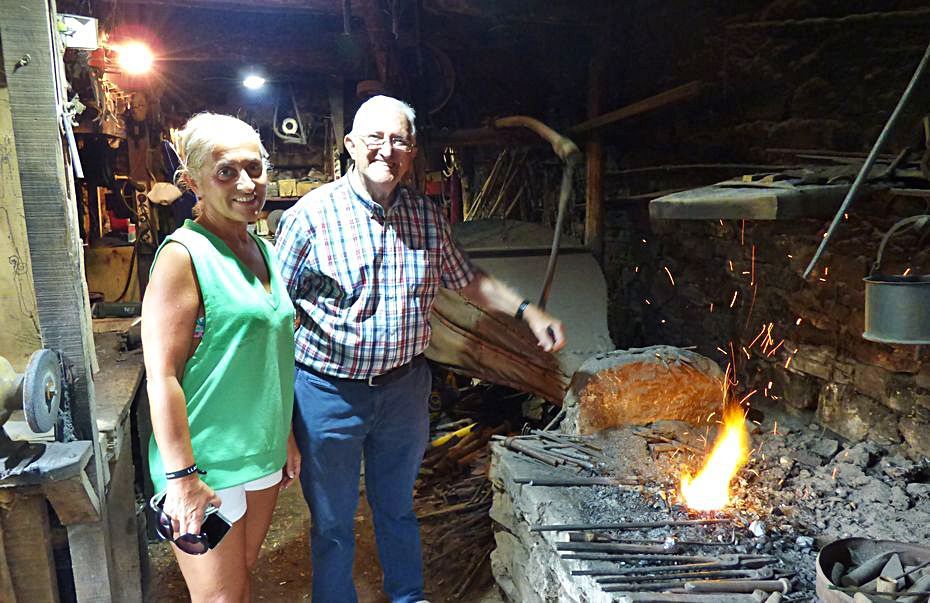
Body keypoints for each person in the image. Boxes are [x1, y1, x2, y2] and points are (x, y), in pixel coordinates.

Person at [275, 95, 566, 603]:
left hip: (405, 391)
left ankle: (409, 598)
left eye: (399, 141)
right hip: (327, 394)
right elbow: (274, 315)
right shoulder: (309, 218)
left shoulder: (425, 217)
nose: (386, 150)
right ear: (350, 146)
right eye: (375, 139)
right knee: (333, 522)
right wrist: (277, 419)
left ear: (412, 152)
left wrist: (528, 311)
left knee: (397, 508)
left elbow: (467, 279)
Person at [141, 113, 301, 602]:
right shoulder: (182, 256)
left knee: (240, 579)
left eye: (254, 168)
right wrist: (182, 479)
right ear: (192, 183)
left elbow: (266, 359)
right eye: (226, 172)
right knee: (220, 598)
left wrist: (287, 434)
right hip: (205, 467)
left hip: (263, 454)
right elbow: (161, 376)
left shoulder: (259, 247)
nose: (247, 184)